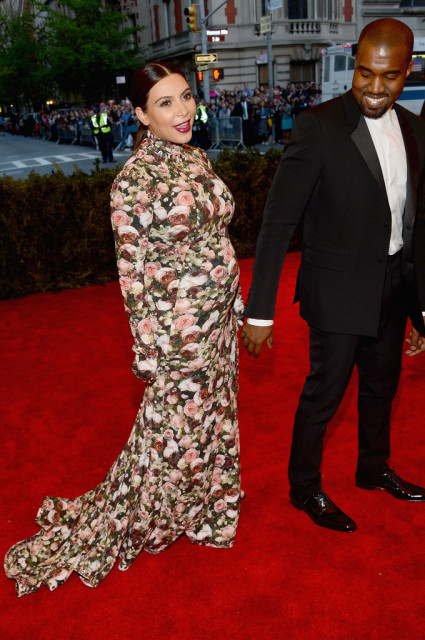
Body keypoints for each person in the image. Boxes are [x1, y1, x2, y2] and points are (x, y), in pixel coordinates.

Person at [4, 61, 244, 597]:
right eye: (165, 103)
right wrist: (149, 350)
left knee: (213, 422)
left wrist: (234, 300)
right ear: (139, 114)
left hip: (219, 320)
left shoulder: (196, 158)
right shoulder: (132, 181)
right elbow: (132, 274)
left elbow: (217, 234)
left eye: (185, 97)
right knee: (173, 435)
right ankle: (152, 516)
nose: (183, 111)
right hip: (179, 335)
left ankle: (207, 509)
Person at [240, 18, 425, 533]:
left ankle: (373, 468)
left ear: (407, 72)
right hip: (338, 290)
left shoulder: (415, 129)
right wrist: (259, 309)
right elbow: (279, 222)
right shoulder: (317, 126)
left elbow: (419, 222)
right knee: (326, 393)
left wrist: (422, 306)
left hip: (394, 286)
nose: (373, 87)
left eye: (387, 77)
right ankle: (304, 488)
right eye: (364, 72)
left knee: (381, 388)